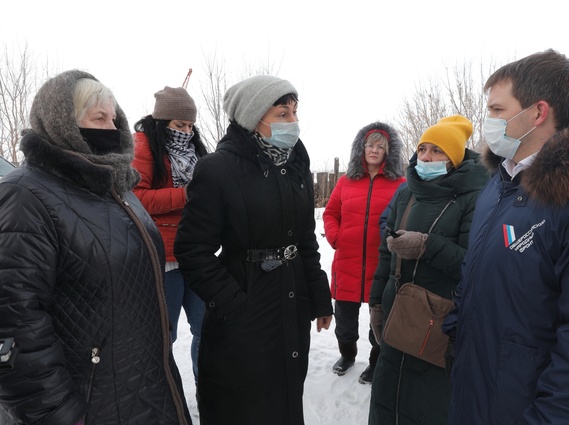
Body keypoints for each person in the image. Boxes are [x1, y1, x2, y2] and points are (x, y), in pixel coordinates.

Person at [442, 49, 569, 424]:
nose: (487, 122)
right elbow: (478, 273)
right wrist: (456, 333)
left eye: (496, 110)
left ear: (538, 113)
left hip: (529, 409)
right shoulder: (501, 183)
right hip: (476, 392)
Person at [0, 70, 192, 424]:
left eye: (113, 117)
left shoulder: (117, 186)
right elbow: (15, 323)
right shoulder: (25, 194)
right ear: (62, 123)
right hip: (89, 402)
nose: (112, 127)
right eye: (98, 118)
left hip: (144, 388)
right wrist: (58, 414)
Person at [174, 75, 333, 424]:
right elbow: (193, 249)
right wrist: (234, 305)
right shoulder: (218, 169)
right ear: (253, 116)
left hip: (292, 300)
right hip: (244, 305)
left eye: (294, 112)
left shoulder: (295, 164)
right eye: (282, 113)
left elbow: (305, 238)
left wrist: (320, 296)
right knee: (244, 403)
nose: (293, 121)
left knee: (286, 397)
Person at [368, 115, 489, 425]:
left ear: (454, 158)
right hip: (397, 312)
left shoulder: (475, 198)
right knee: (386, 400)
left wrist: (427, 246)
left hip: (438, 320)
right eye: (423, 149)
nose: (426, 157)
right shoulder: (406, 193)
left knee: (426, 406)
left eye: (438, 151)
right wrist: (377, 304)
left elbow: (475, 267)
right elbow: (386, 253)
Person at [132, 86, 208, 382]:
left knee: (208, 328)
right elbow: (136, 198)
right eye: (179, 125)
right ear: (162, 122)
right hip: (165, 258)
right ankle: (159, 396)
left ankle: (208, 392)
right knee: (165, 335)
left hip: (197, 252)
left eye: (190, 125)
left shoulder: (196, 151)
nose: (186, 131)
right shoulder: (144, 146)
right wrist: (185, 195)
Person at [322, 122, 405, 383]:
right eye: (370, 145)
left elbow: (405, 217)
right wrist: (336, 237)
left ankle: (375, 363)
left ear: (388, 152)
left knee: (377, 323)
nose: (374, 150)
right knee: (345, 323)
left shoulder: (400, 183)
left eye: (381, 146)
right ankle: (347, 355)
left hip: (380, 264)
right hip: (346, 262)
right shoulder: (346, 181)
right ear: (361, 147)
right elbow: (330, 213)